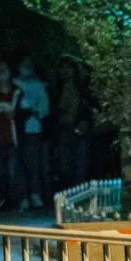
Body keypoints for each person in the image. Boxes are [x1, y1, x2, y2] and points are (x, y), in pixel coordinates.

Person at [14, 56, 50, 211]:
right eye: (23, 65)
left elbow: (44, 108)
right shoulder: (14, 83)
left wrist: (33, 111)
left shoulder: (38, 86)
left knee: (33, 163)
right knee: (18, 164)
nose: (26, 68)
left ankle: (35, 194)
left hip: (33, 129)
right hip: (15, 130)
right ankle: (22, 197)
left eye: (29, 65)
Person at [53, 56, 92, 191]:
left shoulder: (82, 88)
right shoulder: (57, 89)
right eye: (61, 68)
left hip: (79, 128)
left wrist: (85, 121)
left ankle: (79, 194)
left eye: (68, 68)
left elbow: (88, 107)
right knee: (65, 165)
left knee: (80, 164)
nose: (64, 71)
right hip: (63, 129)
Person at [0, 61, 22, 211]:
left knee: (11, 171)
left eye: (4, 68)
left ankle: (11, 202)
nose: (2, 71)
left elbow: (19, 113)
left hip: (12, 136)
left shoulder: (17, 91)